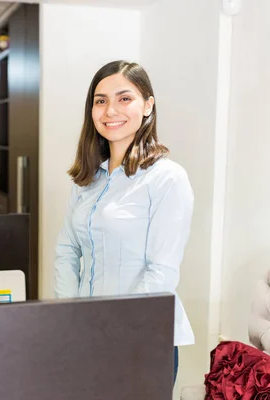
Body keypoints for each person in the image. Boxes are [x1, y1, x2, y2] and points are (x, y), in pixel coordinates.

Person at [54, 60, 195, 384]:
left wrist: (109, 330)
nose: (110, 110)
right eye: (100, 101)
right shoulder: (88, 179)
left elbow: (162, 271)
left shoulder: (166, 178)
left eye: (124, 98)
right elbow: (67, 249)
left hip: (139, 336)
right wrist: (71, 318)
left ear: (148, 106)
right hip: (87, 331)